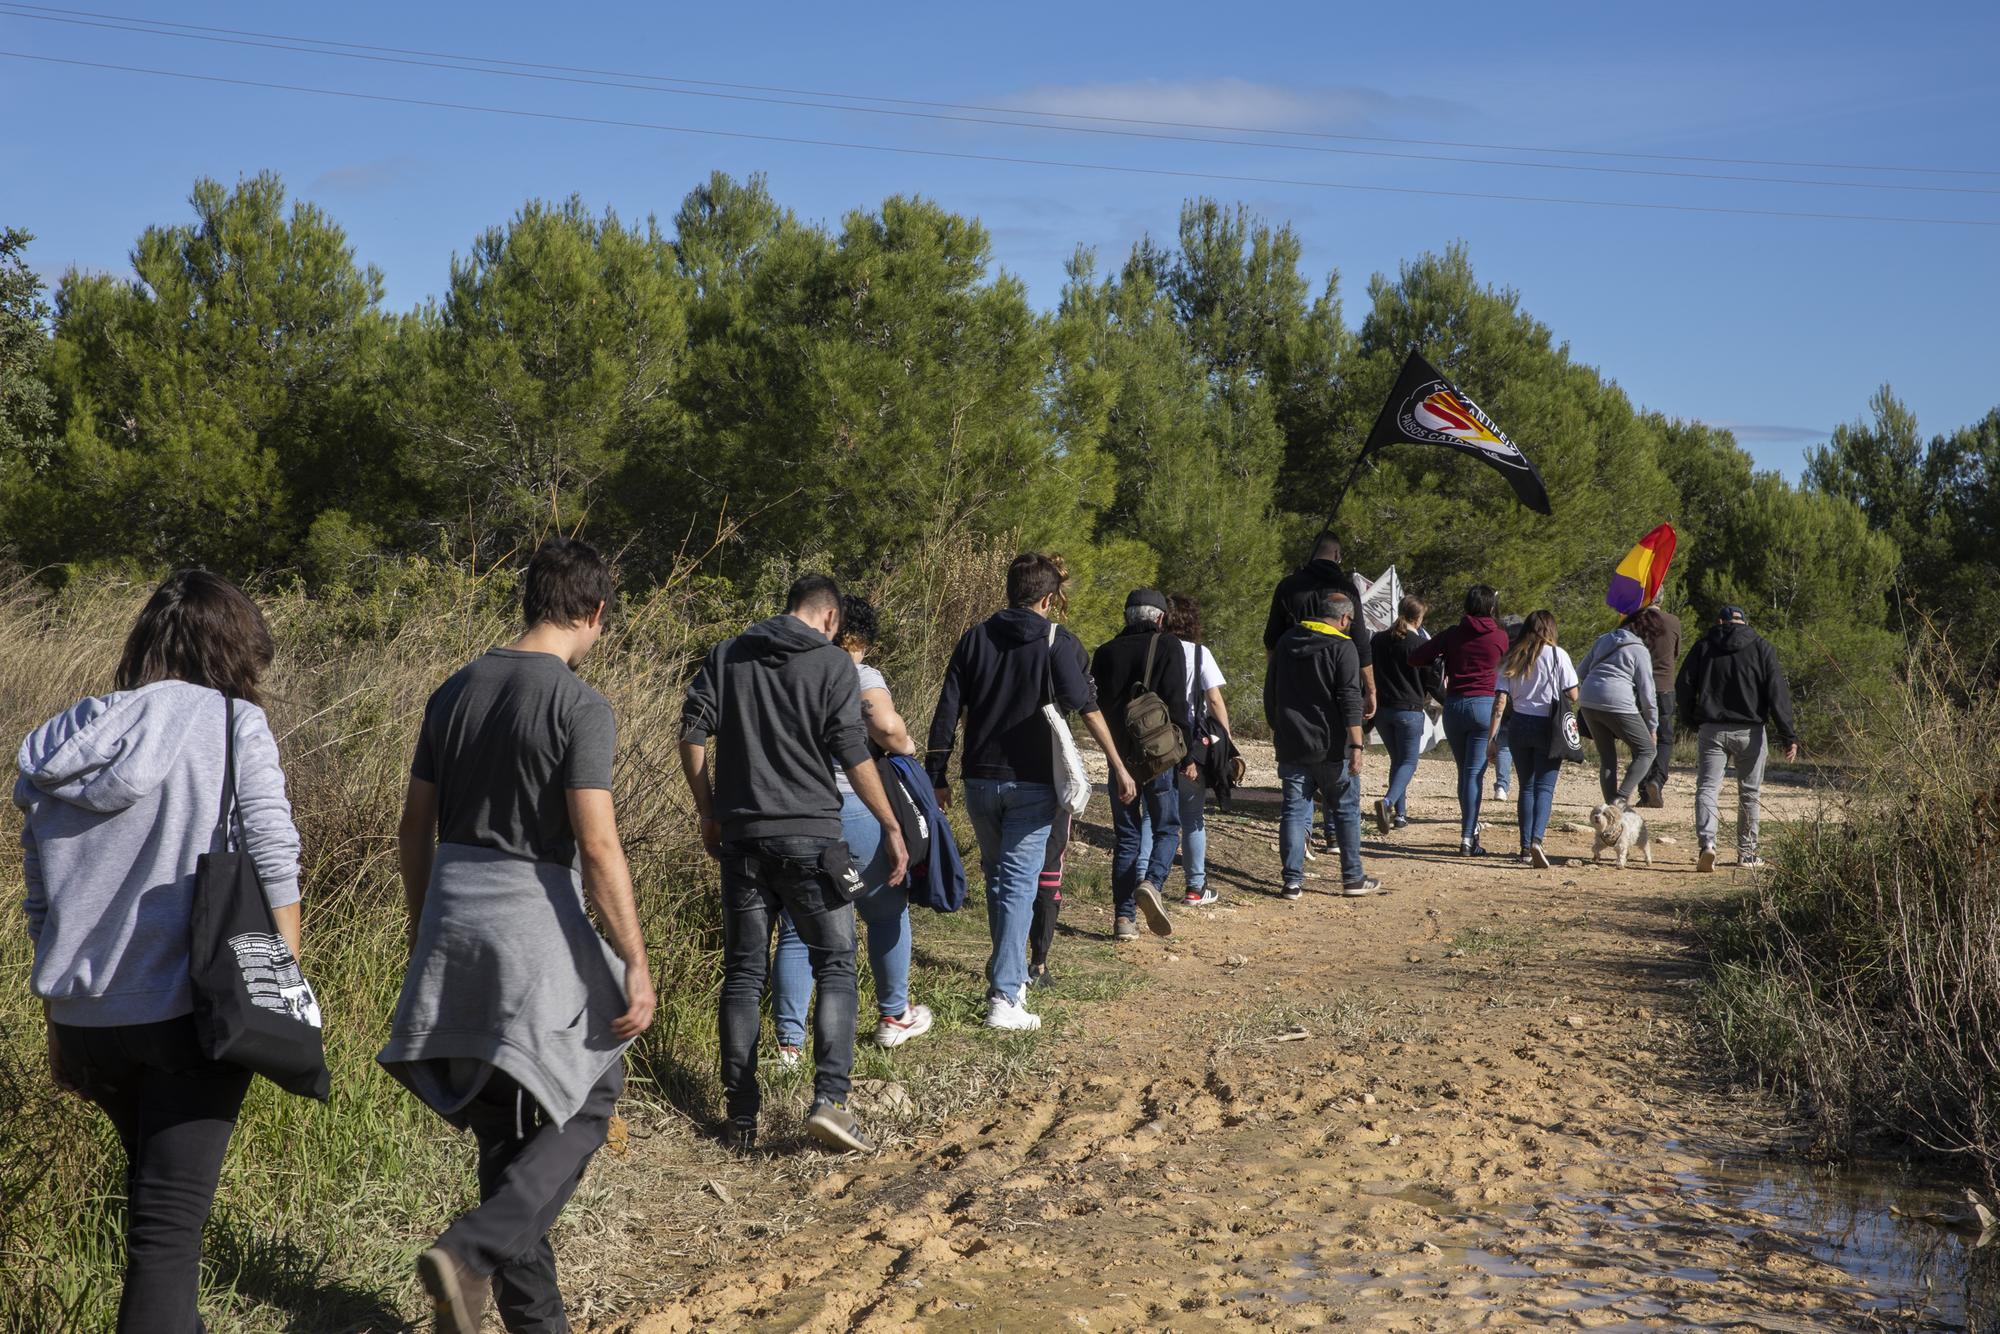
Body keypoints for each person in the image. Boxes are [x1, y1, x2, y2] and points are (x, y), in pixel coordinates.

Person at [15, 571, 300, 1334]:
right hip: (188, 1012)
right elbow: (271, 852)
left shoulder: (56, 740)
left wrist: (57, 1022)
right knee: (167, 1240)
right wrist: (281, 986)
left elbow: (39, 900)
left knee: (156, 1209)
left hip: (86, 1019)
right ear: (236, 650)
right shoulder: (233, 723)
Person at [381, 539, 654, 1334]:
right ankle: (468, 1251)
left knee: (508, 1128)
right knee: (593, 1088)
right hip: (530, 912)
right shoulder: (579, 704)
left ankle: (523, 1314)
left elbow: (413, 828)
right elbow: (597, 846)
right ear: (596, 612)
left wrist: (422, 928)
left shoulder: (453, 691)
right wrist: (633, 961)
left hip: (451, 913)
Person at [679, 574, 909, 1156]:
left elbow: (691, 731)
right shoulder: (833, 664)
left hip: (743, 837)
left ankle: (740, 1117)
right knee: (835, 962)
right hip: (811, 837)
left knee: (743, 972)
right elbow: (854, 754)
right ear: (831, 618)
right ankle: (831, 1101)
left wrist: (709, 810)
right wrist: (889, 823)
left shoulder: (729, 653)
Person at [927, 554, 1136, 1031]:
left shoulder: (973, 638)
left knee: (1002, 883)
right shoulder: (1056, 641)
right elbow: (1087, 708)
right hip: (1033, 783)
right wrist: (1118, 766)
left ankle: (1011, 981)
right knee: (1017, 887)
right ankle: (1005, 997)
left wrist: (936, 773)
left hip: (979, 780)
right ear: (1047, 598)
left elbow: (947, 708)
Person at [770, 596, 932, 1062]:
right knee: (885, 911)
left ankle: (789, 1044)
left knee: (799, 927)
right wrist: (906, 744)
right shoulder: (860, 675)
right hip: (856, 809)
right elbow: (888, 728)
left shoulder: (791, 672)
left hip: (801, 810)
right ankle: (893, 1015)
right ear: (857, 638)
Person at [1092, 589, 1198, 939]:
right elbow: (1177, 704)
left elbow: (1097, 708)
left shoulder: (1104, 653)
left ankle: (1124, 920)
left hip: (1119, 758)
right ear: (1160, 618)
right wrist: (1186, 753)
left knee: (1126, 838)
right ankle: (1152, 882)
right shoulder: (1168, 646)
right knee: (1167, 827)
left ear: (1127, 616)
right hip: (1158, 757)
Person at [1266, 591, 1379, 899]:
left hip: (1292, 743)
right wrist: (1357, 746)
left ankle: (1291, 881)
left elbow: (1270, 692)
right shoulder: (1343, 647)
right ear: (1344, 619)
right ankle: (1353, 878)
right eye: (1350, 622)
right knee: (1345, 809)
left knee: (1292, 810)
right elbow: (1349, 699)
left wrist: (1279, 728)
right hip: (1332, 747)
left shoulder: (1287, 642)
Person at [1675, 605, 1798, 871]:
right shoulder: (1761, 647)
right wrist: (1788, 734)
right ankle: (1747, 853)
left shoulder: (1704, 645)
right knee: (1750, 793)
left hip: (1712, 728)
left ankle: (1708, 845)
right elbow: (1777, 692)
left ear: (1720, 621)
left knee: (1708, 787)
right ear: (1745, 621)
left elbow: (1683, 684)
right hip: (1751, 731)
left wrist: (1691, 719)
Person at [1410, 586, 1510, 857]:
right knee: (1473, 774)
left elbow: (1417, 657)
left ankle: (1470, 830)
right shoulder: (1500, 637)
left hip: (1453, 706)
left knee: (1464, 772)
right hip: (1483, 706)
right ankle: (1468, 837)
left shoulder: (1452, 634)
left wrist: (1443, 656)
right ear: (1491, 607)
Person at [1488, 609, 1580, 869]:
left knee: (1526, 787)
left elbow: (1500, 702)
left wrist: (1492, 738)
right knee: (1544, 788)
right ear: (1551, 630)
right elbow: (1573, 695)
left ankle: (1525, 848)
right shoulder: (1558, 655)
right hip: (1547, 726)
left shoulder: (1513, 656)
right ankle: (1537, 840)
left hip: (1519, 724)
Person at [1155, 594, 1230, 906]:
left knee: (1153, 818)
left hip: (1156, 743)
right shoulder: (1200, 654)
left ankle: (1149, 882)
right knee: (1192, 817)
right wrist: (1225, 738)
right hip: (1190, 747)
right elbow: (1213, 699)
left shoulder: (1154, 650)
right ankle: (1195, 888)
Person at [1265, 532, 1376, 718]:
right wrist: (1371, 691)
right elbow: (1361, 644)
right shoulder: (1347, 589)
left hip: (1294, 681)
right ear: (1336, 554)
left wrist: (1274, 682)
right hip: (1334, 681)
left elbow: (1271, 639)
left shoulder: (1287, 586)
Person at [1369, 595, 1443, 836]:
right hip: (1409, 711)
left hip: (1382, 710)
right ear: (1419, 618)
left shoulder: (1378, 640)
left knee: (1397, 760)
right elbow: (1431, 681)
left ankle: (1400, 815)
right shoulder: (1420, 645)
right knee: (1408, 762)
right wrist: (1447, 701)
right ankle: (1389, 803)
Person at [1576, 618, 1659, 810]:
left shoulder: (1604, 639)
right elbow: (1648, 693)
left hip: (1588, 699)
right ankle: (1620, 800)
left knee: (1607, 758)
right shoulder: (1640, 650)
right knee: (1647, 751)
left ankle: (1610, 811)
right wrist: (1652, 727)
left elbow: (1580, 671)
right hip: (1618, 701)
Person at [1624, 593, 1682, 808]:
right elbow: (1675, 653)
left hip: (1637, 687)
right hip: (1664, 687)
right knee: (1665, 738)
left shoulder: (1634, 622)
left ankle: (1644, 790)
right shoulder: (1673, 621)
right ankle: (1657, 780)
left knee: (1640, 740)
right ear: (1662, 598)